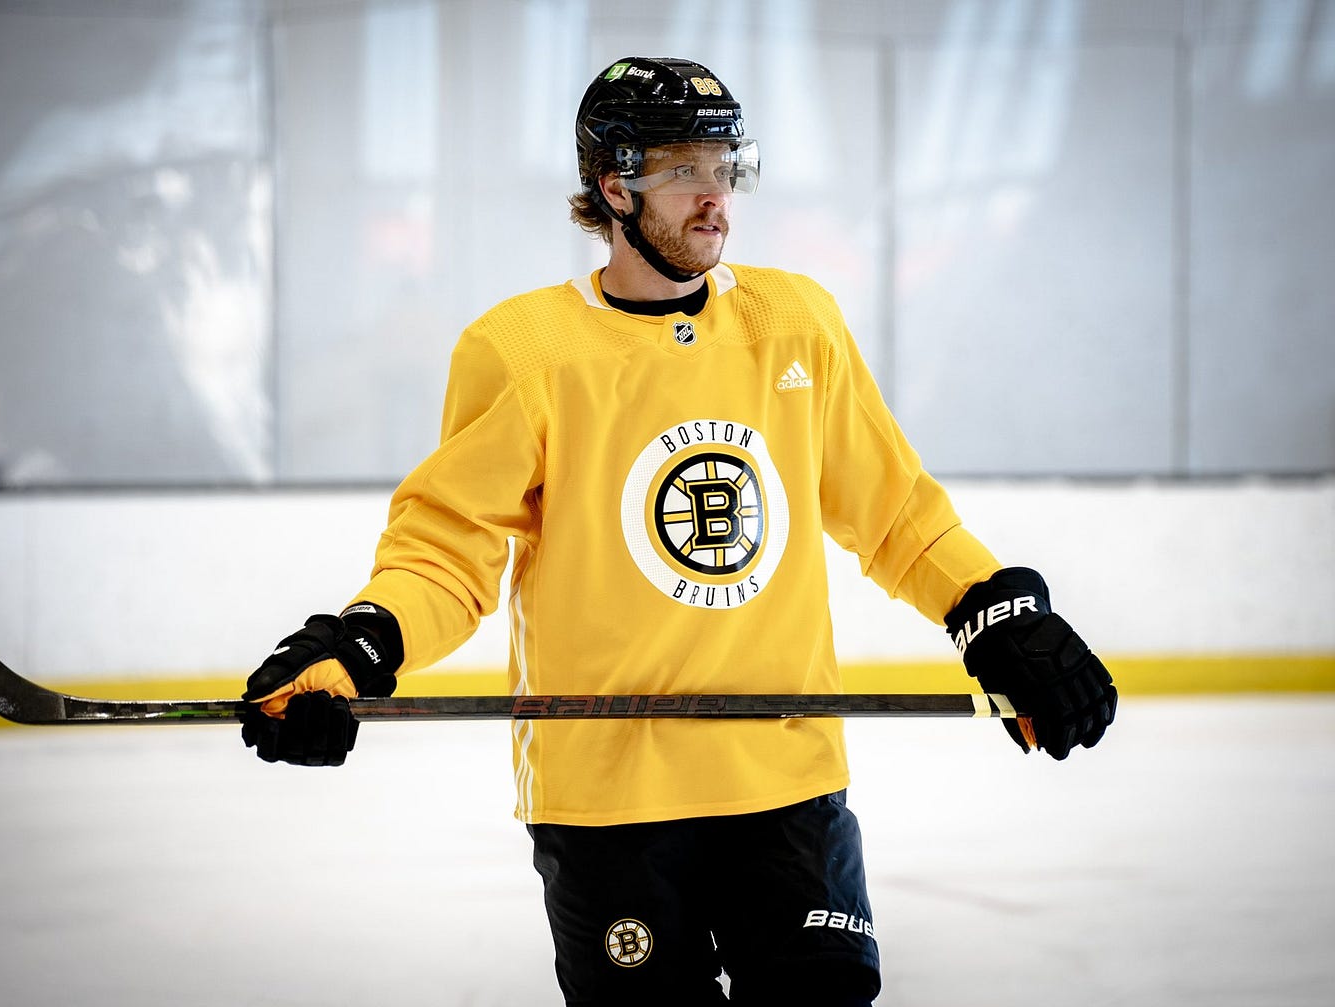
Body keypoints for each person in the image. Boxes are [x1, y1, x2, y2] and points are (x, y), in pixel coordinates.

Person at [238, 56, 1117, 1005]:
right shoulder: (524, 353)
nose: (717, 200)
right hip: (609, 803)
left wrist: (992, 612)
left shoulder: (795, 324)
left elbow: (895, 511)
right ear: (615, 186)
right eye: (686, 171)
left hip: (784, 780)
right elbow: (448, 554)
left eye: (725, 166)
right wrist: (362, 646)